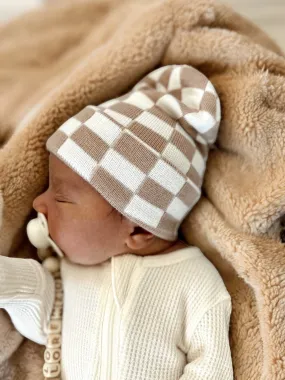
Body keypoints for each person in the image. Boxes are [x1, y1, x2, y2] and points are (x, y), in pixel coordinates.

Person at [0, 65, 233, 379]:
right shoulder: (72, 271)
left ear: (138, 229)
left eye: (62, 196)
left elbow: (212, 367)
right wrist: (15, 280)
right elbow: (47, 326)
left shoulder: (194, 282)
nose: (38, 203)